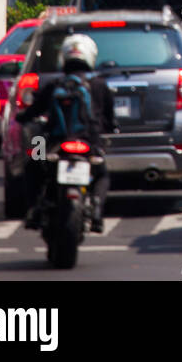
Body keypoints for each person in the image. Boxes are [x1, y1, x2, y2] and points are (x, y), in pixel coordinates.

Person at [16, 33, 116, 234]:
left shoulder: (54, 85)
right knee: (102, 173)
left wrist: (22, 117)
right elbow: (110, 119)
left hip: (56, 144)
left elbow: (33, 112)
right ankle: (96, 206)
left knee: (33, 164)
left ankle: (34, 208)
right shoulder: (99, 85)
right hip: (89, 142)